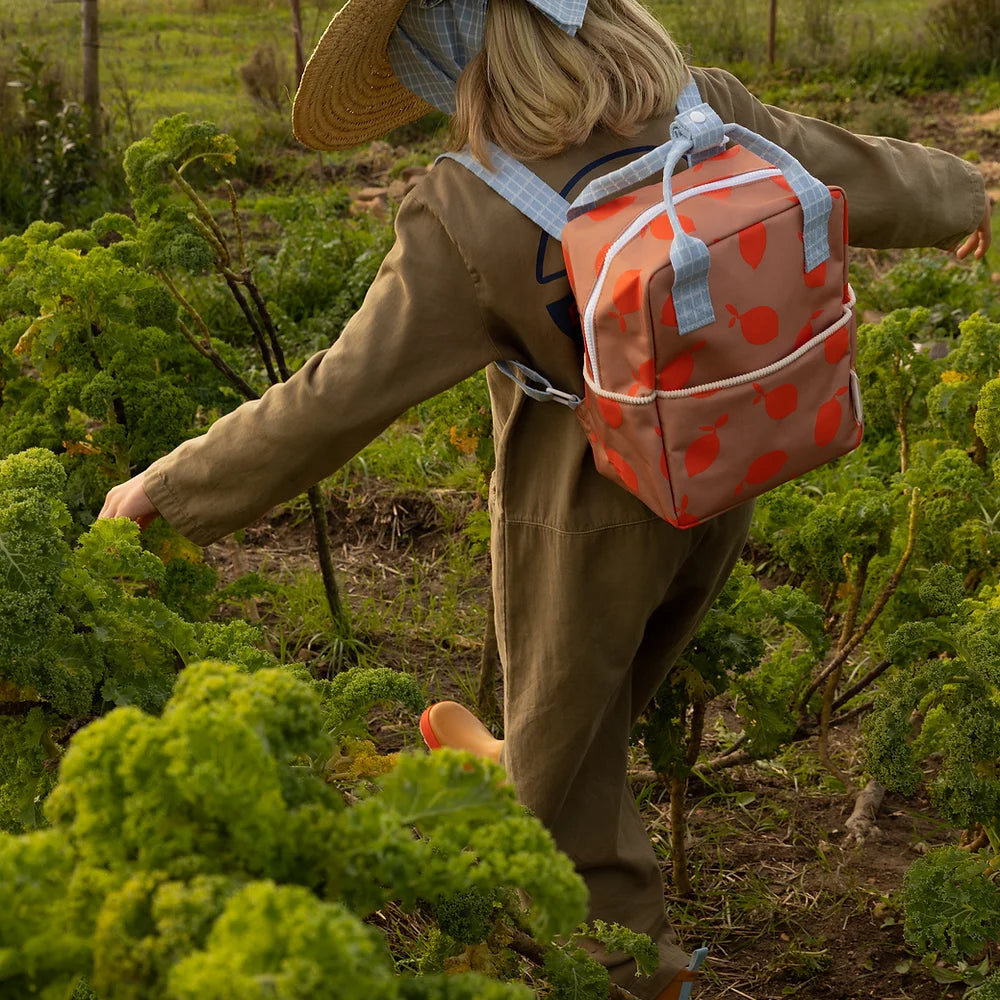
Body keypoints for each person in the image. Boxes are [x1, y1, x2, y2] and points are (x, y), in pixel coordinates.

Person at [100, 0, 991, 995]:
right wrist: (962, 196)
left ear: (453, 66)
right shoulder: (704, 108)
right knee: (599, 698)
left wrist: (167, 490)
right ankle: (517, 751)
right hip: (722, 468)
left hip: (583, 508)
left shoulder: (469, 209)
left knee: (563, 800)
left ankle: (639, 969)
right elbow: (844, 166)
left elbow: (330, 402)